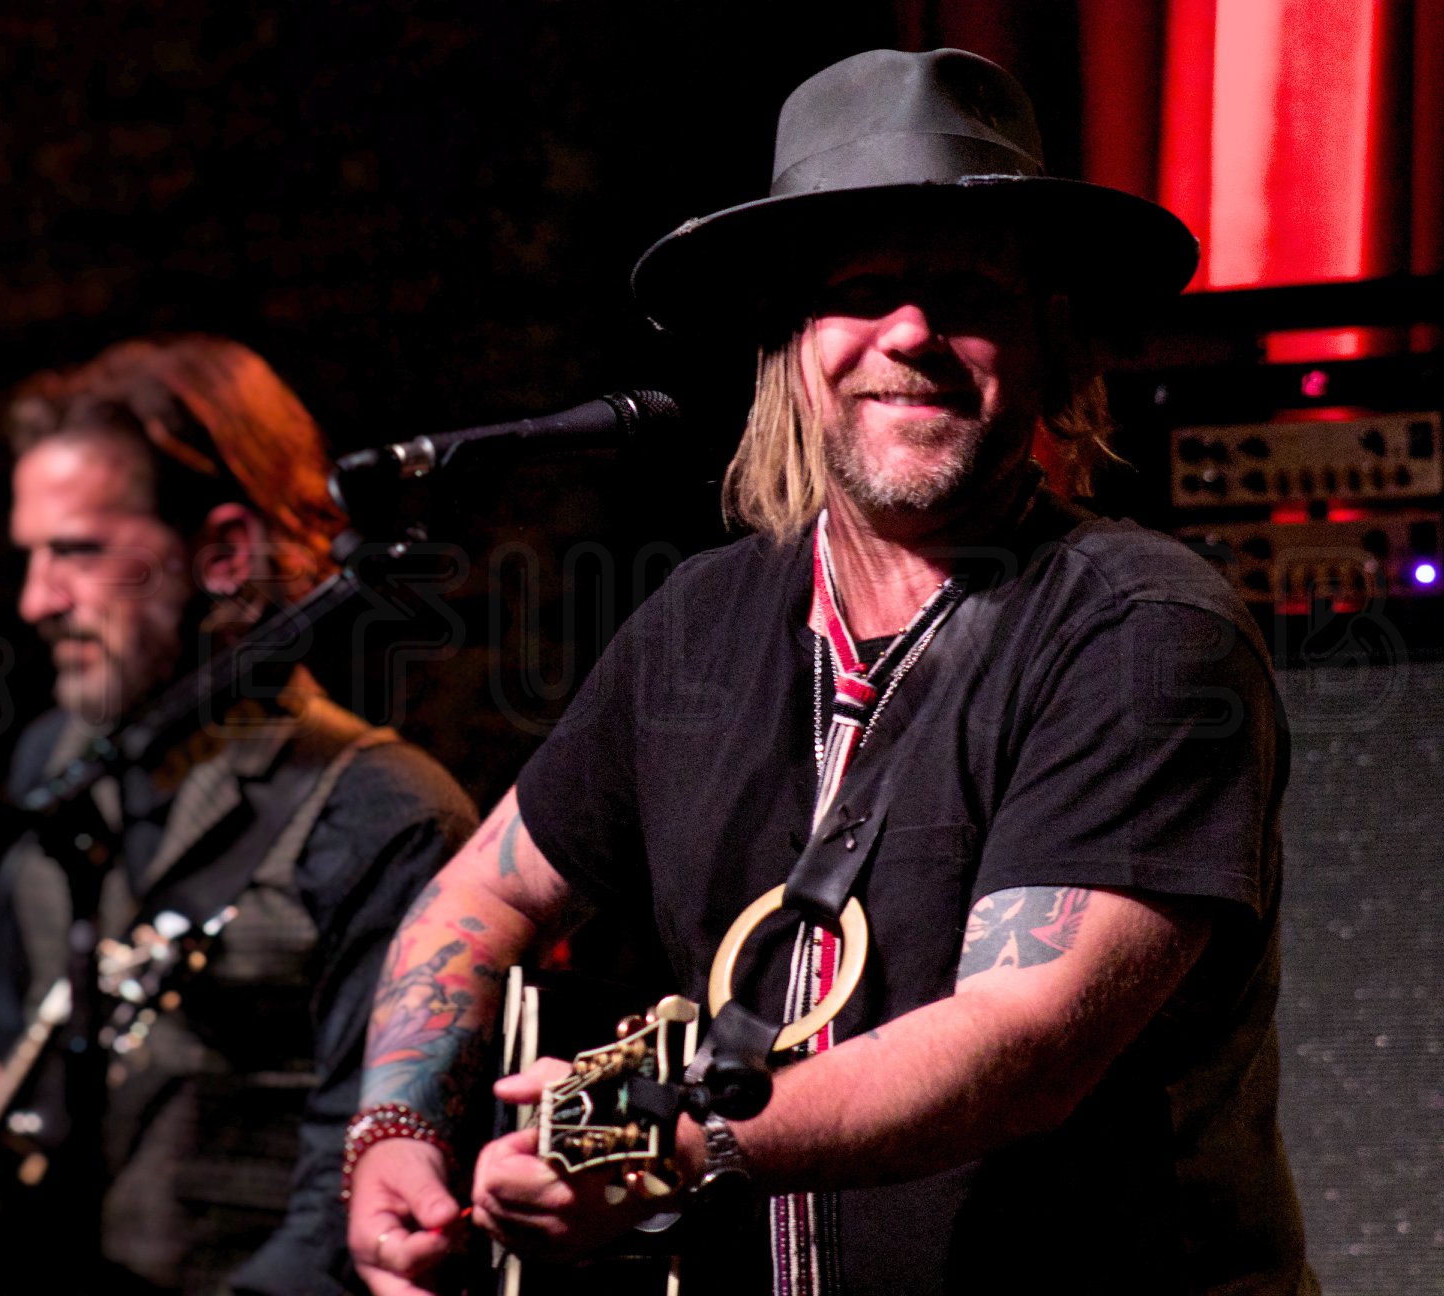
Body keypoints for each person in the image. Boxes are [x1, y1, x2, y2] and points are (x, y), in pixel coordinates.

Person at [344, 48, 1314, 1295]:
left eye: (965, 289)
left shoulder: (1146, 635)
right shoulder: (700, 624)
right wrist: (396, 1138)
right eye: (863, 290)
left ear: (1048, 338)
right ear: (791, 343)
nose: (911, 333)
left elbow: (1016, 1047)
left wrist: (661, 1145)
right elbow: (474, 904)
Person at [0, 334, 476, 1294]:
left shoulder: (382, 813)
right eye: (31, 555)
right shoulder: (57, 760)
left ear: (224, 551)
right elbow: (15, 1042)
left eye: (77, 552)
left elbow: (352, 1210)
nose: (36, 600)